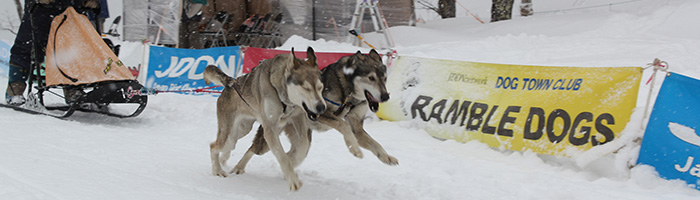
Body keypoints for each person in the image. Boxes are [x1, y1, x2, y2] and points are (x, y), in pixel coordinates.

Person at [5, 0, 99, 105]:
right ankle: (15, 90)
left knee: (70, 51)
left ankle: (72, 89)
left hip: (68, 12)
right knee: (25, 48)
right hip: (39, 11)